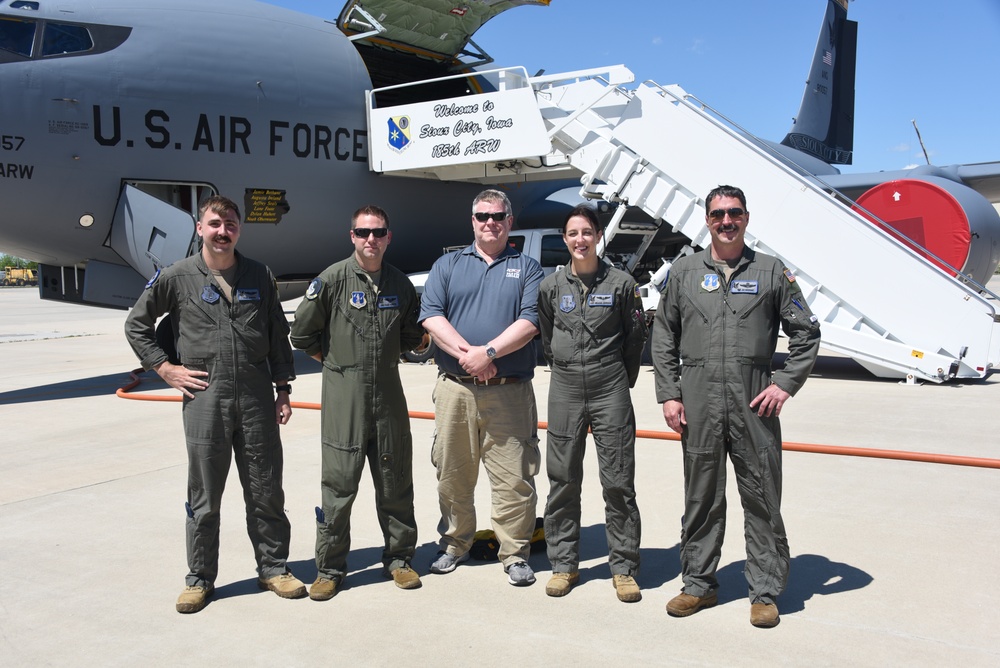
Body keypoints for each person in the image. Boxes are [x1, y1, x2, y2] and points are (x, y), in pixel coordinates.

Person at [124, 195, 306, 614]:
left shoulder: (259, 275)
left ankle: (274, 567)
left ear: (238, 228)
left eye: (230, 224)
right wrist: (165, 369)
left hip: (258, 397)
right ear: (199, 227)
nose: (223, 231)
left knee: (265, 490)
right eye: (214, 223)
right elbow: (137, 325)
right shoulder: (176, 276)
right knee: (204, 495)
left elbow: (278, 335)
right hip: (206, 399)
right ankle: (200, 578)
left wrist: (283, 389)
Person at [651, 185, 821, 628]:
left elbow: (806, 333)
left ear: (746, 217)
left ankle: (764, 591)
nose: (726, 221)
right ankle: (698, 585)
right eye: (717, 214)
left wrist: (784, 383)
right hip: (699, 400)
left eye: (734, 213)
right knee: (701, 496)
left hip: (754, 402)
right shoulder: (684, 272)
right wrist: (669, 392)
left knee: (761, 494)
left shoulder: (769, 271)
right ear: (706, 220)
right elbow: (663, 336)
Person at [289, 205, 424, 600]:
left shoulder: (400, 285)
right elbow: (302, 335)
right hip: (343, 405)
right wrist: (336, 366)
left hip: (389, 402)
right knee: (338, 488)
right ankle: (330, 569)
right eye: (363, 232)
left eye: (378, 232)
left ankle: (399, 560)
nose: (371, 239)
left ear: (388, 237)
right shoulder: (332, 280)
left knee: (396, 482)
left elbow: (412, 337)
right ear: (352, 236)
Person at [419, 188, 544, 587]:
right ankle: (455, 543)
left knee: (514, 476)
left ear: (510, 221)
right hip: (456, 389)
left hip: (509, 391)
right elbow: (432, 317)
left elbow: (529, 322)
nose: (490, 222)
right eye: (482, 216)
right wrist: (469, 357)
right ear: (472, 221)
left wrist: (488, 353)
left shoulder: (528, 267)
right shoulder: (448, 265)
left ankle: (515, 553)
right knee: (452, 472)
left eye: (498, 216)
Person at [537, 205, 648, 602]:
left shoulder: (621, 284)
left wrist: (621, 379)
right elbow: (548, 337)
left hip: (610, 386)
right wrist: (566, 365)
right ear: (565, 239)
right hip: (565, 386)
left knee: (618, 481)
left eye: (586, 232)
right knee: (563, 479)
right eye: (572, 233)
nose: (580, 240)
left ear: (598, 235)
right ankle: (564, 565)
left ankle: (623, 567)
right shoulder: (551, 287)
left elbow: (635, 338)